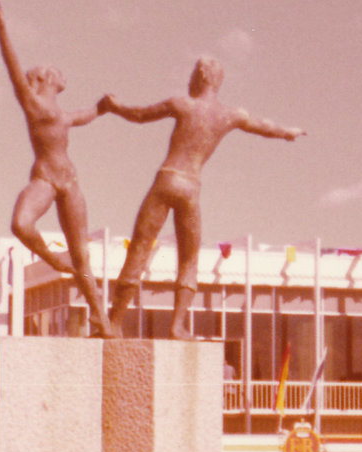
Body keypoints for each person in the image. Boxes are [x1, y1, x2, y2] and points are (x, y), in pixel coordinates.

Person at [99, 60, 305, 339]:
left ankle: (115, 321)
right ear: (218, 82)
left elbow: (138, 114)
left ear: (197, 79)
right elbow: (263, 126)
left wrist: (114, 105)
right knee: (189, 259)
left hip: (167, 178)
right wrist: (287, 132)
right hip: (191, 187)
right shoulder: (231, 114)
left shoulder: (182, 104)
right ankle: (177, 326)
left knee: (139, 249)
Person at [0, 1, 113, 338]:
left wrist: (102, 108)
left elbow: (80, 117)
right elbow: (13, 70)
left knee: (83, 257)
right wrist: (1, 29)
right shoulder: (33, 101)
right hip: (44, 178)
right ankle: (55, 261)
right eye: (57, 71)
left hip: (69, 182)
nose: (62, 75)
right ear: (44, 79)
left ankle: (101, 319)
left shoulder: (62, 113)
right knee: (20, 224)